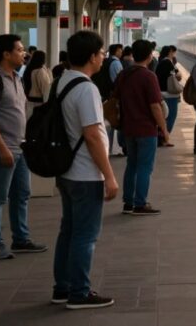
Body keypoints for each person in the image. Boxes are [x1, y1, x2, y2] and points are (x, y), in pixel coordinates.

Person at [52, 31, 118, 310]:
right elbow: (92, 135)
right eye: (101, 53)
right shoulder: (87, 88)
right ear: (92, 56)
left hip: (67, 171)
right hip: (85, 173)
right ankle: (79, 292)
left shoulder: (61, 81)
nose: (103, 57)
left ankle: (62, 288)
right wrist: (109, 176)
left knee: (68, 231)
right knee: (85, 236)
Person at [0, 34, 46, 259]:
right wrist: (1, 148)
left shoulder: (17, 78)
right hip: (2, 148)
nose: (23, 53)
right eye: (19, 50)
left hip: (20, 147)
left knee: (22, 194)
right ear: (6, 54)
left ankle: (21, 239)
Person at [115, 40, 167, 215]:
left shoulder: (123, 75)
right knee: (145, 167)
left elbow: (116, 98)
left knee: (131, 164)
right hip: (146, 129)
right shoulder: (148, 76)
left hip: (128, 128)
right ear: (149, 56)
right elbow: (155, 106)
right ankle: (140, 204)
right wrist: (164, 130)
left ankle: (128, 203)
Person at [155, 46, 180, 147]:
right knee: (170, 117)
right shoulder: (167, 62)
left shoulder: (161, 62)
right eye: (174, 52)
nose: (174, 54)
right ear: (170, 52)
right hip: (169, 94)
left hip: (163, 93)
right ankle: (164, 138)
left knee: (165, 117)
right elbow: (177, 75)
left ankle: (162, 138)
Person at [23, 50, 53, 120]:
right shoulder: (40, 71)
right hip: (39, 104)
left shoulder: (28, 69)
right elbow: (46, 90)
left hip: (28, 101)